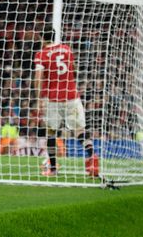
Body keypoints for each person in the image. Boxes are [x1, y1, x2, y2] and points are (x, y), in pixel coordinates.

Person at [33, 30, 99, 177]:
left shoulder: (41, 55)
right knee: (79, 131)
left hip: (53, 99)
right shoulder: (67, 49)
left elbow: (38, 78)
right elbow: (73, 68)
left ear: (41, 37)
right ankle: (93, 158)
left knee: (51, 133)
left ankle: (53, 169)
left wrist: (38, 98)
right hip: (72, 96)